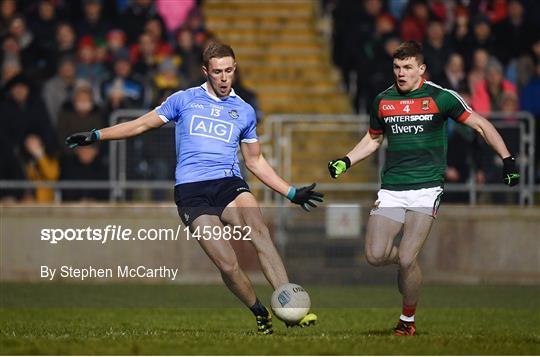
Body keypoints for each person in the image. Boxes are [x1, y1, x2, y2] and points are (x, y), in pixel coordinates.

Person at [65, 42, 323, 334]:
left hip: (229, 184)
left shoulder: (244, 111)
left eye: (228, 71)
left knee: (259, 231)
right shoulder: (183, 100)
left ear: (234, 69)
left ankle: (291, 309)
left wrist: (290, 192)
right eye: (217, 72)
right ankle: (259, 311)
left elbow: (255, 161)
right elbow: (140, 125)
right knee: (227, 264)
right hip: (191, 192)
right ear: (206, 72)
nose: (224, 78)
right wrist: (97, 135)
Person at [328, 41, 520, 336]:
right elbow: (373, 139)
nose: (401, 73)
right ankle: (408, 265)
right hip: (392, 188)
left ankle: (407, 321)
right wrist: (345, 160)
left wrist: (507, 159)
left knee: (406, 257)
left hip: (426, 188)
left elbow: (481, 125)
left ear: (421, 69)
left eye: (407, 67)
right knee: (375, 255)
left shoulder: (441, 97)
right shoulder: (383, 101)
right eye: (396, 67)